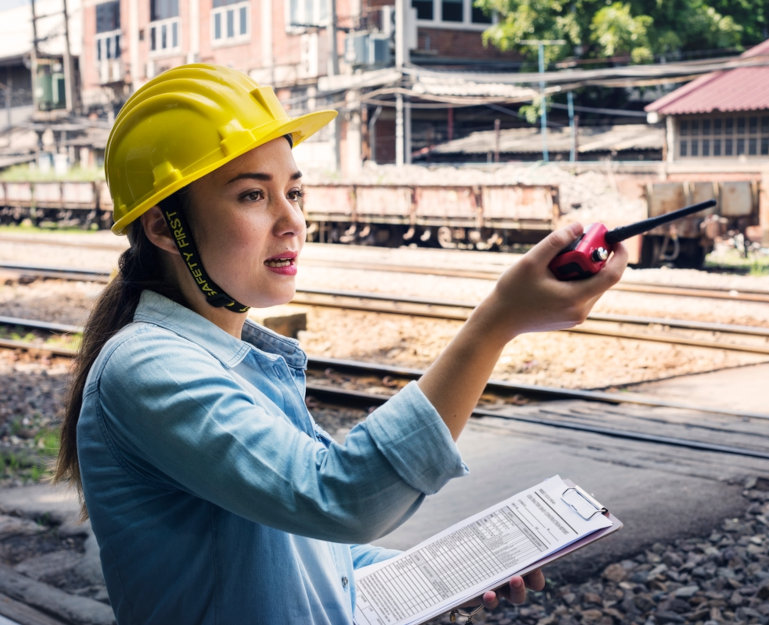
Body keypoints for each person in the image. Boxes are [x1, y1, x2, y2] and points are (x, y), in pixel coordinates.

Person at [52, 63, 627, 625]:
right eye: (253, 196)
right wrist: (495, 324)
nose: (292, 221)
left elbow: (313, 550)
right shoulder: (150, 368)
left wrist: (446, 572)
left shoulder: (237, 363)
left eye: (294, 193)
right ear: (161, 228)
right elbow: (336, 498)